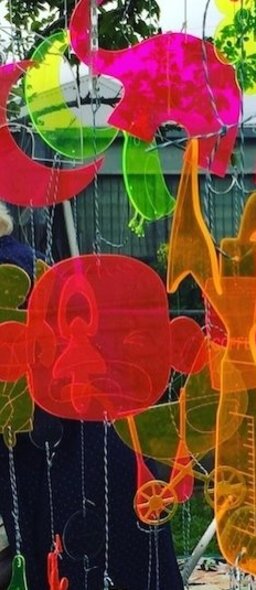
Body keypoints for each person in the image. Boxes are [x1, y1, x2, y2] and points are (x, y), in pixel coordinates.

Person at [0, 201, 184, 590]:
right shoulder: (35, 263)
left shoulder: (19, 271)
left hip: (52, 453)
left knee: (61, 559)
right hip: (102, 442)